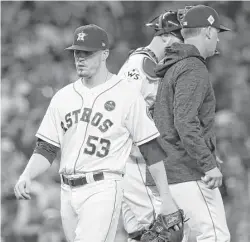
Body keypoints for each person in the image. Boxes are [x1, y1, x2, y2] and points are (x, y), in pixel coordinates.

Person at [14, 24, 181, 242]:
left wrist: (166, 198)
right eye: (77, 53)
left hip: (103, 187)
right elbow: (46, 147)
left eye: (87, 53)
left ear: (104, 55)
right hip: (67, 190)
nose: (80, 59)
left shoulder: (127, 94)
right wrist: (27, 174)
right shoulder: (63, 97)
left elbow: (151, 148)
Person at [153, 5, 231, 242]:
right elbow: (185, 122)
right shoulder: (193, 66)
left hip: (167, 169)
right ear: (208, 32)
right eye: (217, 32)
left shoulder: (174, 63)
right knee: (214, 236)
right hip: (186, 170)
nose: (217, 38)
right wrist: (207, 164)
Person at [117, 10, 184, 241]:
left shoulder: (152, 63)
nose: (182, 45)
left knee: (140, 233)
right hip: (133, 159)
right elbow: (122, 112)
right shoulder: (139, 63)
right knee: (163, 228)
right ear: (165, 35)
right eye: (179, 38)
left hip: (135, 160)